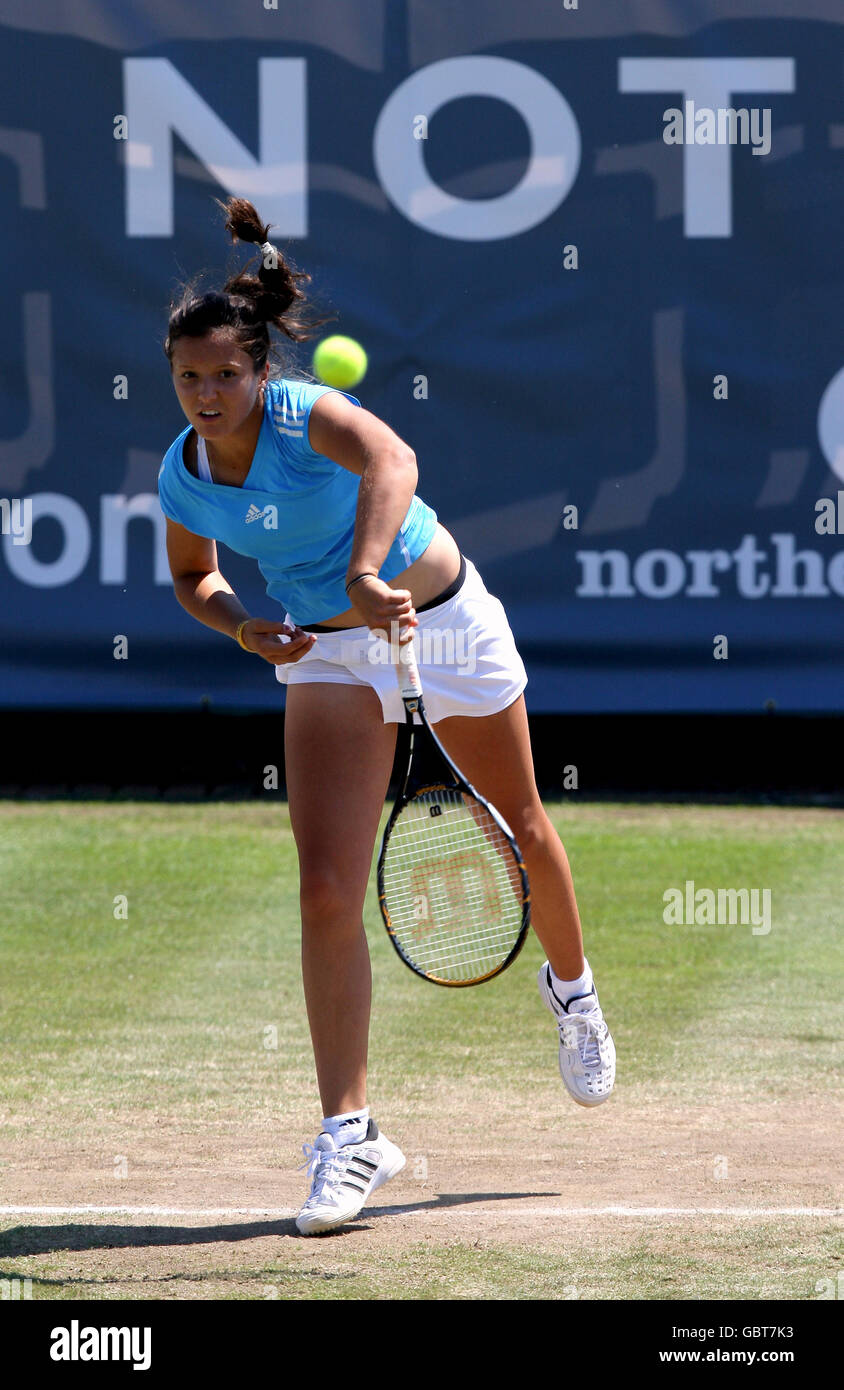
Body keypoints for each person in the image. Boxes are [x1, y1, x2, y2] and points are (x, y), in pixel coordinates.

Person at [157, 196, 616, 1237]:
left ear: (258, 370)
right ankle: (350, 1132)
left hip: (442, 619)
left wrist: (366, 570)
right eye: (189, 378)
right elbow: (196, 576)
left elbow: (394, 461)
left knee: (526, 830)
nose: (208, 394)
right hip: (325, 653)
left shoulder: (301, 414)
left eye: (225, 373)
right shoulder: (183, 471)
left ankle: (575, 994)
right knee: (325, 888)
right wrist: (241, 627)